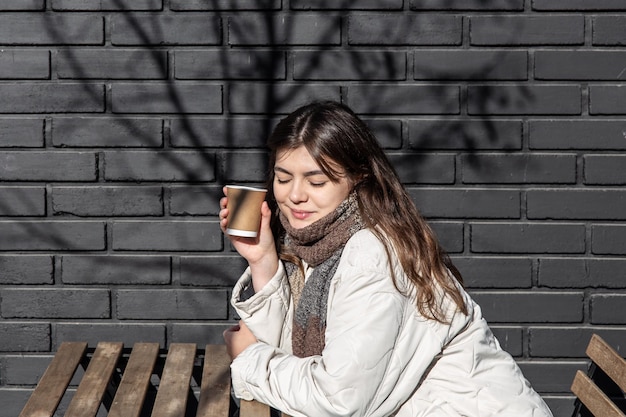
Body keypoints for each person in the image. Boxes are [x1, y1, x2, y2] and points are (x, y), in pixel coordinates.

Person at [219, 100, 553, 417]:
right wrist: (263, 259)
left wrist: (250, 359)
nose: (295, 195)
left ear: (358, 177)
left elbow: (337, 401)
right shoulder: (317, 242)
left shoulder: (370, 253)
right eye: (283, 178)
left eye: (316, 180)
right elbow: (299, 356)